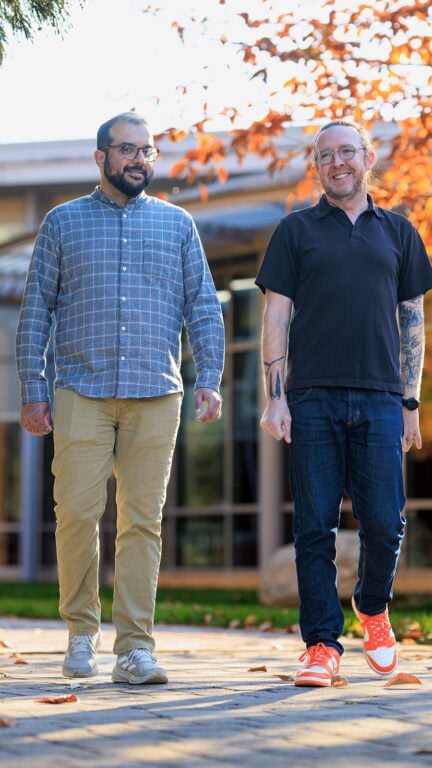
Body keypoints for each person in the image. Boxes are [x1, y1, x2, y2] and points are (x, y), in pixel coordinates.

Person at [16, 112, 224, 685]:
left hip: (156, 391)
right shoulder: (62, 222)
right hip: (80, 389)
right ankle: (81, 632)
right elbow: (36, 309)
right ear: (101, 157)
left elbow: (203, 304)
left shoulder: (177, 224)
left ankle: (134, 648)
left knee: (142, 522)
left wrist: (211, 376)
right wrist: (33, 388)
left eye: (147, 150)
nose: (139, 159)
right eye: (127, 149)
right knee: (76, 515)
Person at [256, 119, 432, 687]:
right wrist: (276, 398)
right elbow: (275, 314)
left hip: (381, 397)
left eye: (347, 152)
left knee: (385, 522)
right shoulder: (295, 230)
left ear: (368, 158)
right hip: (311, 396)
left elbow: (412, 320)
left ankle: (373, 607)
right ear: (317, 166)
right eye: (326, 155)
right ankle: (320, 645)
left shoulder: (399, 231)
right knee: (315, 526)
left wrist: (410, 399)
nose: (338, 162)